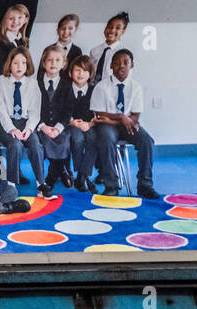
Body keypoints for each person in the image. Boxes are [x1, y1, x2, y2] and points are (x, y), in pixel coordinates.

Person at [90, 49, 159, 199]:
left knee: (147, 140)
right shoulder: (102, 87)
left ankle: (145, 185)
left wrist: (121, 119)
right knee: (106, 139)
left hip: (126, 125)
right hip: (106, 126)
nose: (121, 66)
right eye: (117, 63)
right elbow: (99, 114)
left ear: (132, 65)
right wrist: (121, 117)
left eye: (125, 63)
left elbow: (135, 117)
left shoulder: (136, 87)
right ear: (111, 66)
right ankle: (111, 185)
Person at [0, 46, 44, 190]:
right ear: (9, 64)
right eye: (15, 63)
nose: (19, 66)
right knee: (15, 145)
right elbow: (0, 108)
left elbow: (35, 111)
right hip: (6, 123)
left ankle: (41, 183)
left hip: (26, 123)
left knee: (35, 144)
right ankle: (11, 183)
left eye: (23, 62)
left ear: (28, 64)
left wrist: (29, 129)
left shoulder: (33, 84)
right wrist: (11, 129)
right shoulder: (0, 81)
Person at [35, 44, 73, 198]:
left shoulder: (66, 85)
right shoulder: (35, 83)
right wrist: (43, 126)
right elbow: (32, 108)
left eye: (58, 60)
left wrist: (58, 128)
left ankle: (53, 175)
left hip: (60, 126)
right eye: (49, 60)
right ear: (43, 63)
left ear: (63, 64)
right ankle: (60, 171)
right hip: (42, 126)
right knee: (44, 142)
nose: (53, 63)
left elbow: (68, 111)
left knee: (63, 141)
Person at [65, 55, 101, 193]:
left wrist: (90, 124)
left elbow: (99, 112)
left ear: (90, 74)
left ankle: (82, 176)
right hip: (72, 123)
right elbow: (61, 110)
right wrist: (72, 121)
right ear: (70, 72)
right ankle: (83, 177)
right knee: (77, 139)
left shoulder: (94, 90)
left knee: (94, 140)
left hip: (89, 123)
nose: (81, 74)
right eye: (77, 70)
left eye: (85, 71)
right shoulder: (65, 89)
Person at [0, 4, 29, 79]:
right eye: (11, 18)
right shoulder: (0, 43)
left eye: (19, 17)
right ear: (5, 20)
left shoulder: (24, 42)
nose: (15, 21)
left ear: (25, 20)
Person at [88, 12, 129, 84]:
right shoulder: (94, 51)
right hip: (93, 90)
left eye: (118, 28)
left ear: (123, 31)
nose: (112, 30)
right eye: (110, 26)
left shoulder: (124, 53)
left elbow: (126, 78)